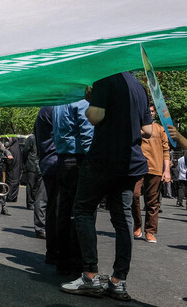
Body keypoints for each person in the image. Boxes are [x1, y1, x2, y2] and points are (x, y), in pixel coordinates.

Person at [61, 73, 152, 301]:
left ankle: (90, 276)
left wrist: (93, 101)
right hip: (130, 161)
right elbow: (148, 131)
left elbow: (94, 117)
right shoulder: (139, 87)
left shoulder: (104, 79)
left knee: (82, 210)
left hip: (103, 159)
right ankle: (118, 281)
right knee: (123, 220)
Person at [52, 99, 93, 276]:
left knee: (65, 211)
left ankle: (63, 261)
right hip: (78, 159)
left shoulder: (59, 102)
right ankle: (77, 264)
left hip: (63, 157)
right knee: (81, 212)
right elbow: (87, 134)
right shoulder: (80, 101)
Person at [133, 105, 171, 243]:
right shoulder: (136, 126)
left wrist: (166, 170)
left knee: (152, 202)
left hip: (155, 168)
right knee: (134, 195)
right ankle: (137, 225)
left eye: (152, 111)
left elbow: (166, 151)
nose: (150, 113)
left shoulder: (160, 129)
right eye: (147, 111)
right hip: (137, 168)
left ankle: (150, 231)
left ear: (155, 113)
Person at [33, 107, 59, 258]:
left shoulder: (44, 111)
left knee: (50, 205)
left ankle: (52, 249)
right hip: (53, 163)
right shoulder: (53, 110)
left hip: (48, 162)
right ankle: (54, 249)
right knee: (51, 204)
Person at [22, 134, 39, 210]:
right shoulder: (31, 138)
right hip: (32, 164)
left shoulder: (42, 136)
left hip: (39, 164)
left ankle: (34, 202)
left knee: (37, 186)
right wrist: (25, 162)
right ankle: (30, 203)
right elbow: (25, 151)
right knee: (31, 185)